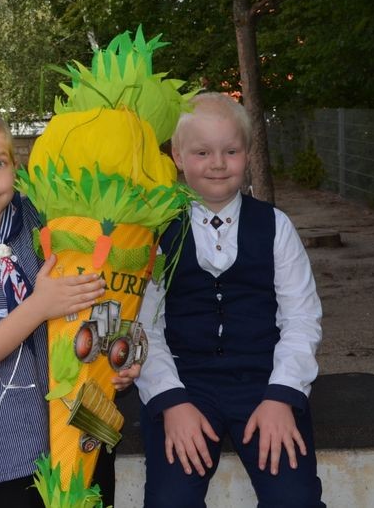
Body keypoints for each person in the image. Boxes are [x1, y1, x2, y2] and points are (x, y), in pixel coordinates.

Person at [0, 108, 131, 507]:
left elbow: (96, 294)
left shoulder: (45, 221)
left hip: (84, 424)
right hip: (12, 449)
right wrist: (38, 307)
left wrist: (116, 362)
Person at [134, 93, 325, 507]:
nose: (217, 163)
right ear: (178, 157)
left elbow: (302, 317)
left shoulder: (275, 226)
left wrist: (282, 394)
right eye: (202, 152)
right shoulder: (157, 231)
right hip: (187, 382)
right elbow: (143, 326)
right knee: (170, 502)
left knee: (295, 500)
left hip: (262, 381)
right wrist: (172, 401)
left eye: (230, 151)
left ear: (248, 153)